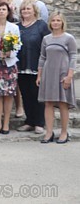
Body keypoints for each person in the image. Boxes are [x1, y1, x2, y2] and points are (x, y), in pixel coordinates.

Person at [37, 12, 76, 144]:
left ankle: (64, 132)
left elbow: (73, 57)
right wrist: (39, 75)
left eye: (58, 20)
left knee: (62, 103)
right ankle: (49, 132)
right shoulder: (46, 39)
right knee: (48, 103)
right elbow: (42, 57)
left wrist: (69, 76)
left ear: (63, 22)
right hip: (49, 73)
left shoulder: (68, 38)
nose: (55, 23)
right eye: (53, 20)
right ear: (50, 23)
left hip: (63, 73)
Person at [15, 0, 50, 135]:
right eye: (23, 9)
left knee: (37, 95)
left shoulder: (41, 26)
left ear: (34, 11)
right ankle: (29, 121)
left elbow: (47, 44)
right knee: (26, 94)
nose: (25, 11)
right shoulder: (17, 27)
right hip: (21, 65)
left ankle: (39, 123)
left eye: (28, 9)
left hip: (37, 65)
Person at [0, 2, 20, 135]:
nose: (1, 12)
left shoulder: (13, 27)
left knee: (8, 95)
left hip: (9, 64)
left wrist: (9, 53)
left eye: (4, 9)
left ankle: (6, 123)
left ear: (8, 12)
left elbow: (18, 44)